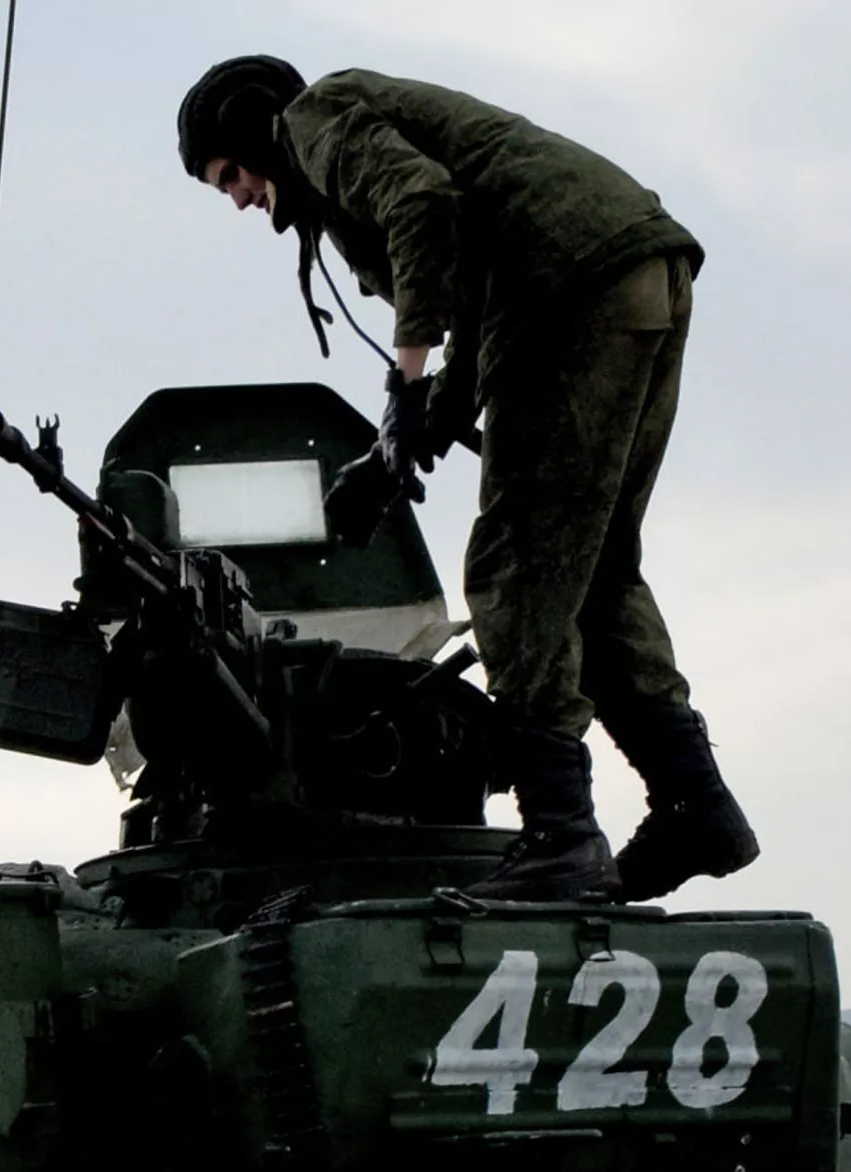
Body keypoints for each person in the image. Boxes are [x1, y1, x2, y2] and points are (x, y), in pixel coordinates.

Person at [176, 57, 759, 902]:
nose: (237, 199)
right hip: (632, 275)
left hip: (570, 294)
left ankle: (562, 837)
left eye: (230, 174)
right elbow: (483, 314)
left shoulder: (312, 118)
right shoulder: (344, 145)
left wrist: (405, 389)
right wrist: (401, 445)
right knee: (591, 571)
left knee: (515, 566)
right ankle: (695, 805)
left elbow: (421, 203)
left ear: (253, 126)